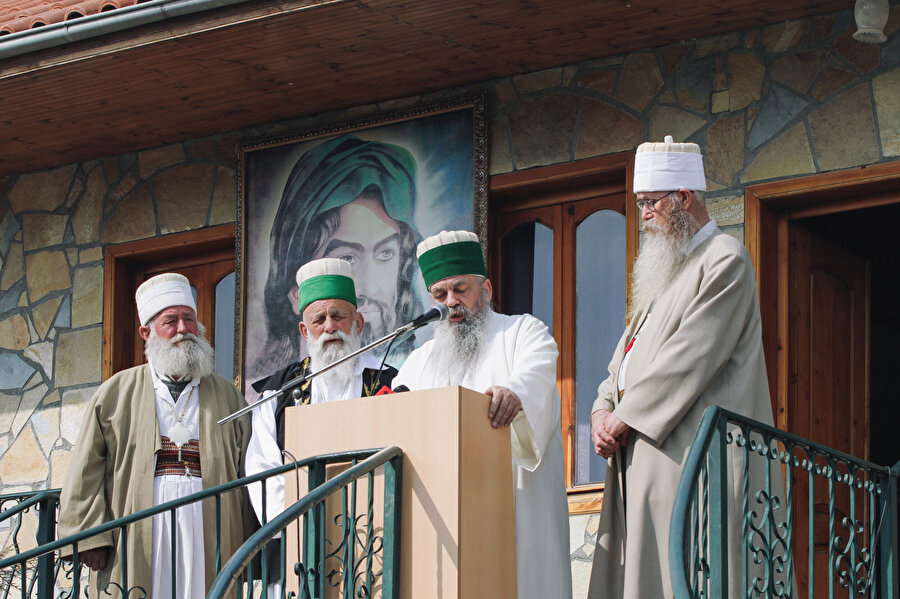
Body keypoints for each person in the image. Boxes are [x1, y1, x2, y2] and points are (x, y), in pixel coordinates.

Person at [587, 136, 775, 598]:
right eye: (639, 204)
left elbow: (689, 357)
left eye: (650, 203)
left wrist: (623, 417)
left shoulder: (725, 259)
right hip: (642, 460)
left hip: (693, 459)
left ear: (684, 199)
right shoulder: (663, 275)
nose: (644, 215)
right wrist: (599, 409)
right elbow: (621, 361)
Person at [393, 230, 572, 599]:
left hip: (514, 520)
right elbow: (397, 415)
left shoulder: (523, 331)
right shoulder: (418, 362)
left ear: (486, 290)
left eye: (461, 289)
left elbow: (534, 375)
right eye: (440, 295)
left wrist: (514, 393)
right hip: (443, 528)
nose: (451, 302)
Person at [57, 273, 252, 599]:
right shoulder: (116, 392)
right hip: (139, 531)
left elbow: (251, 465)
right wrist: (90, 536)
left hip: (210, 526)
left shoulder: (228, 396)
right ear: (146, 333)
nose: (182, 330)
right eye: (170, 321)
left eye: (189, 320)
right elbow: (86, 468)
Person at [245, 258, 398, 594]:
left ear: (357, 322)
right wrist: (305, 523)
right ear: (304, 330)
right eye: (319, 319)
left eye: (338, 316)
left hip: (372, 540)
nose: (330, 327)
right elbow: (262, 471)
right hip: (297, 543)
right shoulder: (278, 392)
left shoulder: (391, 383)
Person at [256, 135, 424, 381]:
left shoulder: (415, 377)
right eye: (348, 259)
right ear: (296, 294)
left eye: (385, 254)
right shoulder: (276, 395)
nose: (368, 288)